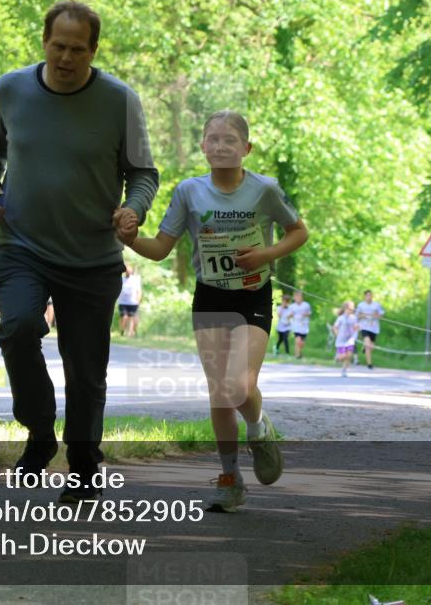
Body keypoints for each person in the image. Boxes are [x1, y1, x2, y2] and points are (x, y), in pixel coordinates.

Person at [0, 0, 159, 504]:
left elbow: (143, 173)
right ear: (44, 43)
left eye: (78, 49)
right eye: (59, 46)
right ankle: (38, 433)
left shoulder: (119, 100)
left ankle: (82, 464)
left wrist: (134, 209)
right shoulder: (11, 88)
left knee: (86, 371)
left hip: (92, 258)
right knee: (18, 327)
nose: (66, 57)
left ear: (93, 50)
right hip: (21, 244)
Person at [128, 110, 309, 512]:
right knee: (220, 395)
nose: (221, 146)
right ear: (203, 146)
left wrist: (265, 253)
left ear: (246, 148)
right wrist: (129, 238)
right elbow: (159, 248)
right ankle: (230, 481)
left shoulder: (265, 189)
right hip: (210, 298)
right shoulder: (189, 192)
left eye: (230, 140)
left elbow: (299, 232)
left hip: (252, 297)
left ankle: (260, 431)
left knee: (238, 386)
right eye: (213, 139)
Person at [356, 289, 385, 370]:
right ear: (364, 296)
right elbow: (356, 316)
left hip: (374, 328)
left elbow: (382, 315)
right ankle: (369, 364)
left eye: (370, 295)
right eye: (367, 295)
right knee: (368, 345)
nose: (369, 297)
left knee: (371, 347)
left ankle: (364, 348)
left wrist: (377, 315)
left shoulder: (376, 305)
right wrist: (362, 316)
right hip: (364, 327)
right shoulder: (361, 305)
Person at [331, 301, 359, 377]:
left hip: (350, 340)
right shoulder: (341, 318)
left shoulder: (354, 318)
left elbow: (356, 327)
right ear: (346, 308)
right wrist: (337, 335)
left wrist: (356, 329)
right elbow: (335, 327)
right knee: (342, 357)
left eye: (353, 307)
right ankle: (337, 357)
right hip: (341, 340)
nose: (352, 309)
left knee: (349, 355)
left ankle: (344, 370)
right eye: (351, 307)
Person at [117, 264, 142, 337]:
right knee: (124, 317)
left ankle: (130, 333)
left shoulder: (135, 279)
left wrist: (138, 300)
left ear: (131, 271)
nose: (128, 272)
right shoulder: (121, 278)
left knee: (131, 317)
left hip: (133, 302)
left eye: (129, 270)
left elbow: (139, 291)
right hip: (122, 302)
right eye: (127, 270)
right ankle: (122, 330)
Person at [288, 290, 311, 359]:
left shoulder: (306, 305)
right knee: (297, 340)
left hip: (304, 326)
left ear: (302, 297)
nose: (298, 298)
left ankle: (299, 353)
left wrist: (305, 314)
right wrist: (291, 315)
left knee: (301, 343)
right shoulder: (292, 306)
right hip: (296, 326)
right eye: (296, 296)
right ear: (294, 298)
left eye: (299, 296)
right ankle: (297, 355)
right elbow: (288, 316)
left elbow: (309, 313)